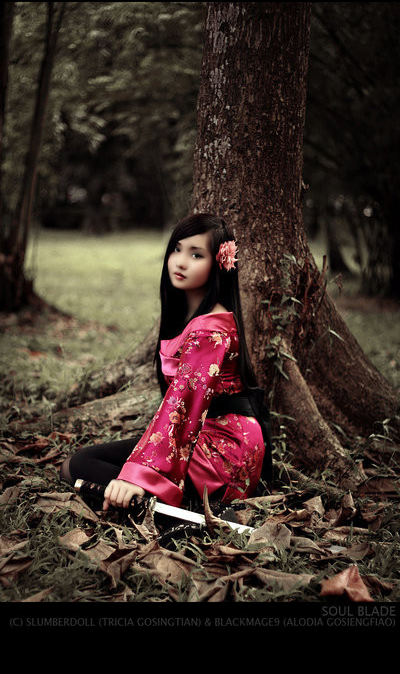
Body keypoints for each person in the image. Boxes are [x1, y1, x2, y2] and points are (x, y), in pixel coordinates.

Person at [60, 213, 272, 512]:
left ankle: (181, 509)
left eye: (196, 254)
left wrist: (140, 474)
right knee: (80, 464)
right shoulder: (191, 317)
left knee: (80, 467)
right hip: (198, 435)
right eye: (177, 249)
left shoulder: (210, 329)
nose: (180, 262)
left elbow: (183, 401)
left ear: (218, 264)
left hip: (221, 455)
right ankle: (165, 501)